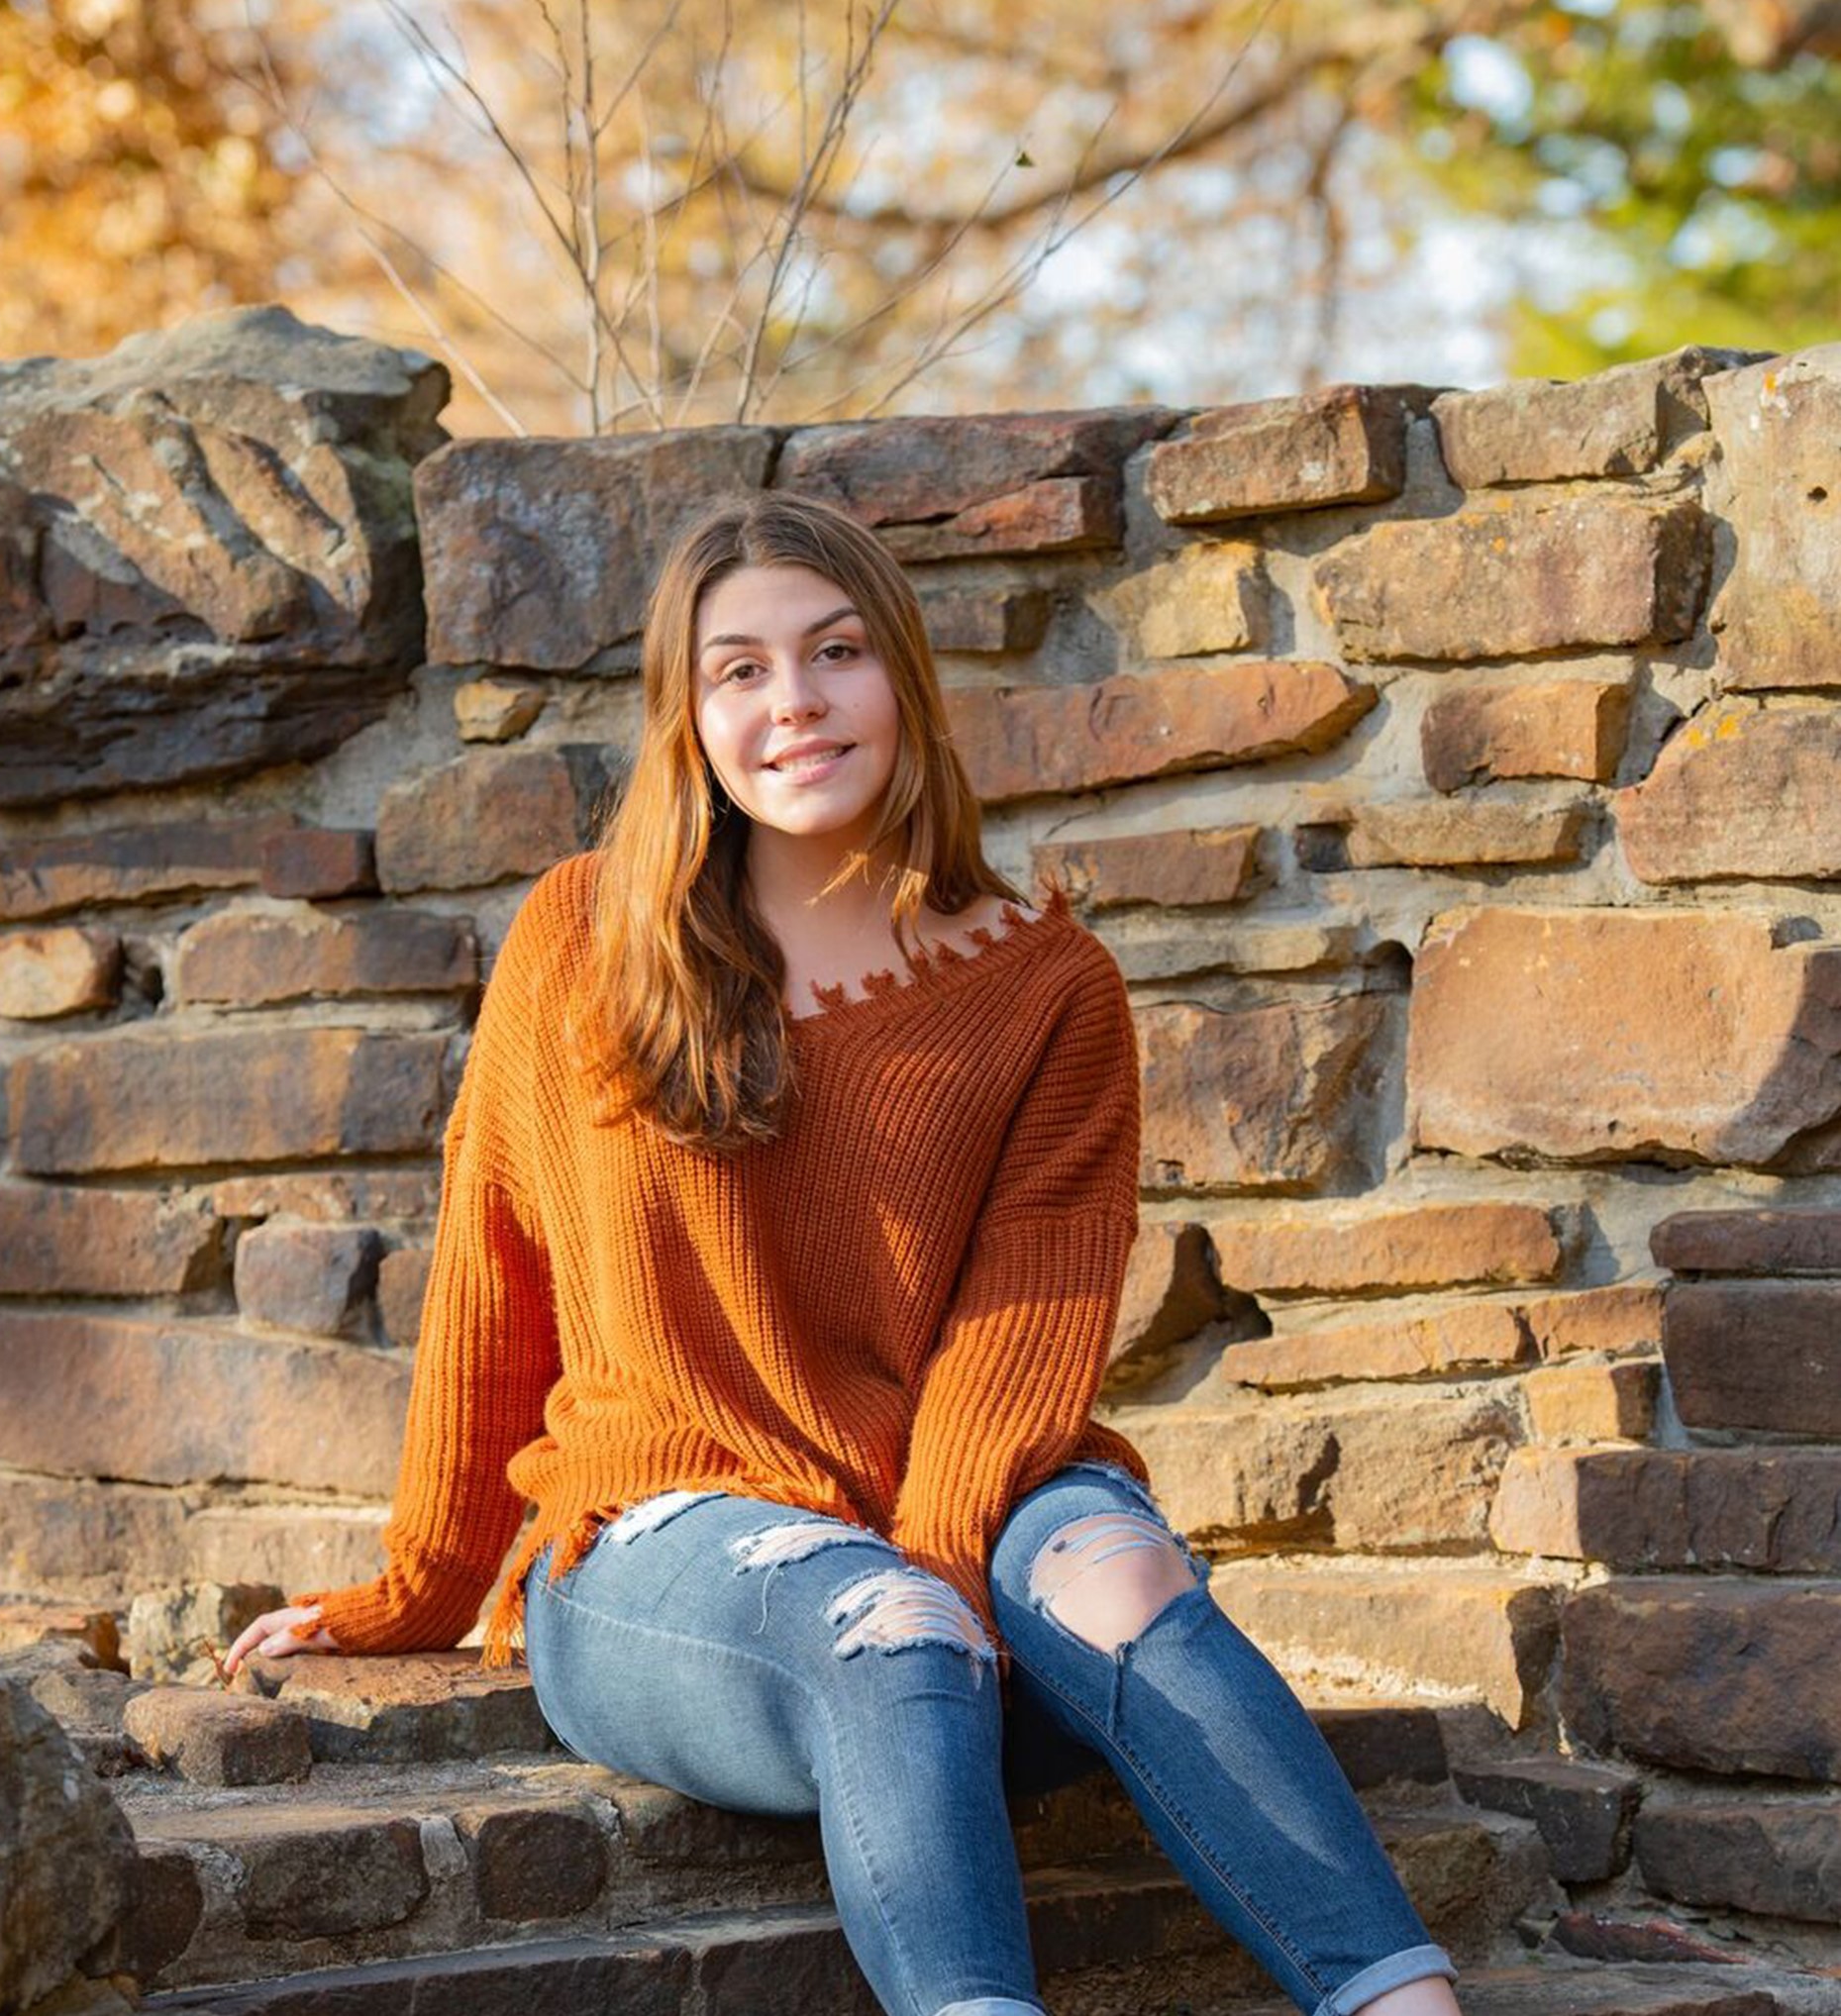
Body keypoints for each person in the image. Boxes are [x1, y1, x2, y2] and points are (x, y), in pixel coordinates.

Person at [224, 490, 1463, 2016]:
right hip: (671, 1546)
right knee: (892, 1629)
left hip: (960, 1525)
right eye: (739, 670)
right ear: (688, 717)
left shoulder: (1049, 985)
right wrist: (419, 1587)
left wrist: (941, 1553)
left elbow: (1023, 1322)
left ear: (903, 681)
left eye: (836, 653)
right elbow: (493, 1269)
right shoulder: (581, 936)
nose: (795, 703)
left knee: (1122, 1576)